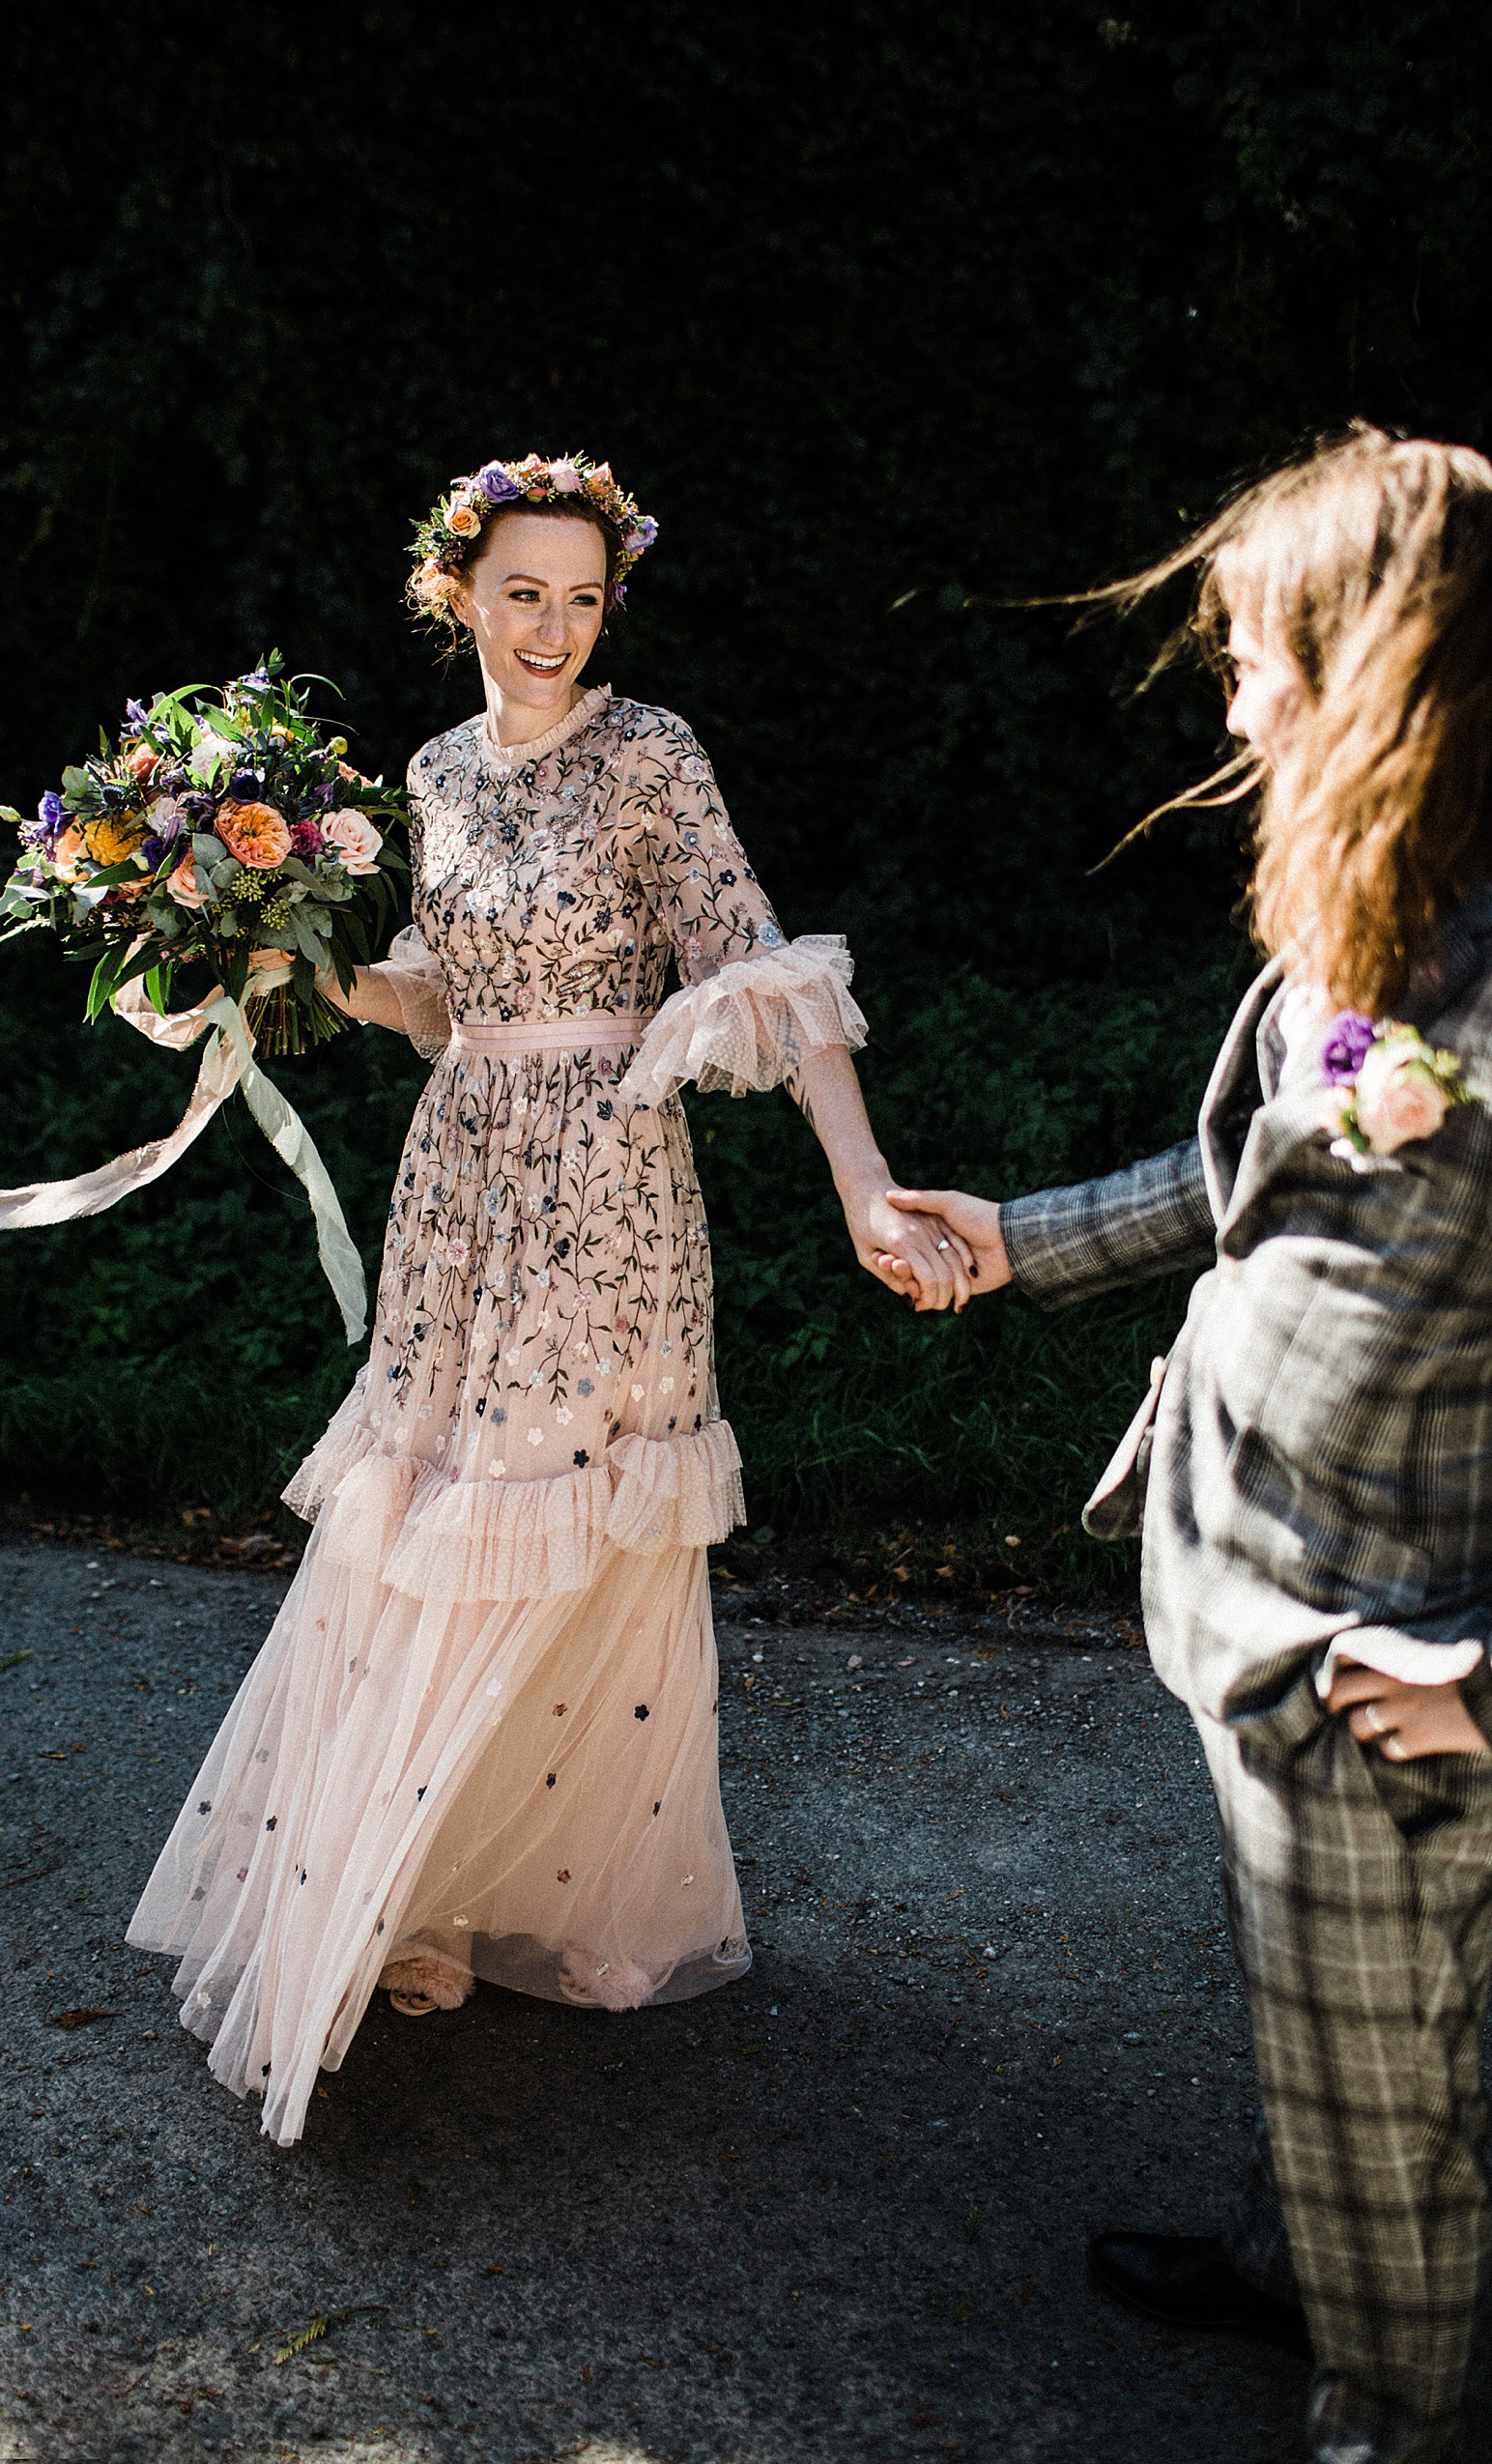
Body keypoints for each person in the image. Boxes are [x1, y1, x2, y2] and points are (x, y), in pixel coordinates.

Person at [128, 450, 968, 2146]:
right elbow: (442, 997)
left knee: (568, 1531)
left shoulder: (654, 756)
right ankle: (412, 1890)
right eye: (524, 591)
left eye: (585, 597)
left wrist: (863, 1178)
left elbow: (765, 971)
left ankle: (555, 1893)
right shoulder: (430, 772)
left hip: (611, 1193)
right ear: (458, 592)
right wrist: (302, 965)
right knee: (432, 1518)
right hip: (460, 1190)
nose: (556, 626)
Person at [884, 428, 1492, 2464]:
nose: (1231, 699)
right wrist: (1011, 1246)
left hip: (1393, 1659)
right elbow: (1248, 1176)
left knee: (1393, 2084)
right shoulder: (1382, 905)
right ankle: (1301, 2252)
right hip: (1258, 1596)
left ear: (1381, 657)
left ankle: (1386, 2410)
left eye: (1258, 654)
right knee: (1348, 2044)